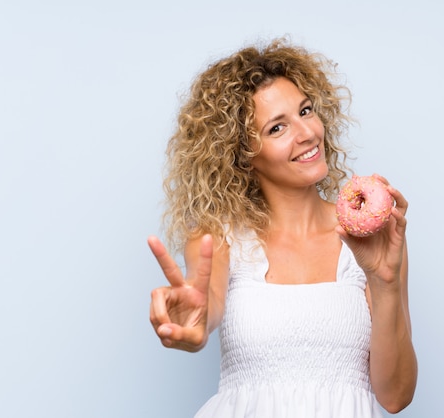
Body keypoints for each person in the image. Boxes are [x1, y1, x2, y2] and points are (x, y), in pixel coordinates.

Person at [148, 38, 417, 417]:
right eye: (277, 128)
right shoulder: (221, 237)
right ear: (242, 155)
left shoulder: (373, 242)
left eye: (306, 111)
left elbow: (395, 396)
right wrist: (194, 319)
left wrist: (385, 280)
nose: (306, 133)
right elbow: (207, 305)